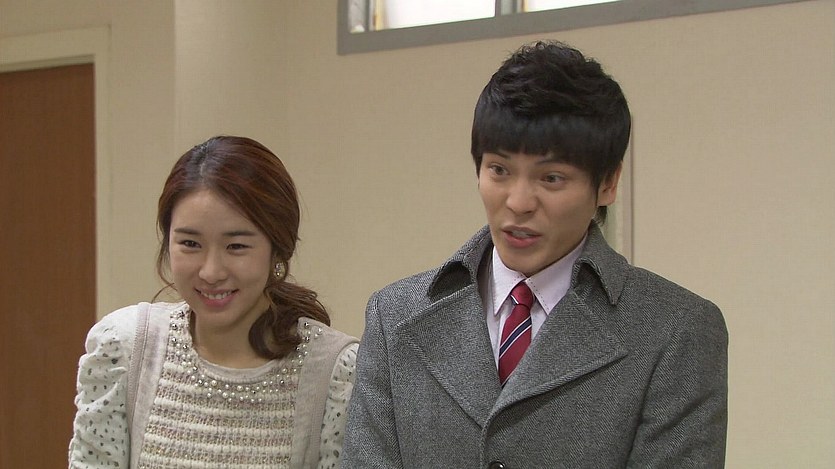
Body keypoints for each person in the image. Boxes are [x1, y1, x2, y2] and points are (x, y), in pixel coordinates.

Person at [342, 40, 728, 468]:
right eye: (499, 170)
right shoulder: (394, 315)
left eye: (552, 178)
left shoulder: (675, 330)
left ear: (607, 183)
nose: (519, 202)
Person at [69, 136, 358, 469]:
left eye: (236, 247)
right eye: (190, 244)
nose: (211, 272)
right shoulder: (123, 349)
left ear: (278, 250)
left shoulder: (335, 372)